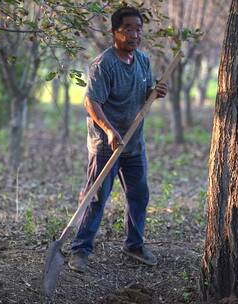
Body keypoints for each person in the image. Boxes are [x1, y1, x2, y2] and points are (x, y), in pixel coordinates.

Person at [68, 6, 168, 273]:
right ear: (115, 32)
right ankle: (80, 250)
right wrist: (110, 131)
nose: (135, 35)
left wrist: (155, 91)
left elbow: (143, 92)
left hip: (133, 143)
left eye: (138, 29)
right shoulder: (103, 65)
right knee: (97, 197)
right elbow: (91, 102)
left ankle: (134, 245)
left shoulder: (143, 61)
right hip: (106, 145)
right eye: (128, 29)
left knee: (139, 195)